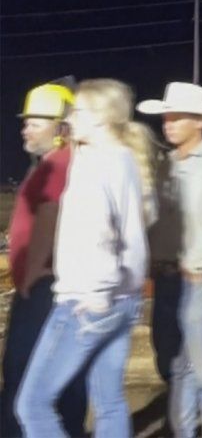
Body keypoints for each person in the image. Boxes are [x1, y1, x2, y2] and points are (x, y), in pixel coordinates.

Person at [15, 79, 154, 438]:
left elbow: (100, 232)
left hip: (87, 301)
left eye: (77, 111)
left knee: (32, 405)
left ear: (101, 118)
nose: (70, 119)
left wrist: (96, 294)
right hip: (124, 299)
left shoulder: (92, 165)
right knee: (109, 401)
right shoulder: (125, 159)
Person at [137, 82, 202, 438]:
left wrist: (195, 265)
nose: (168, 123)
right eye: (167, 117)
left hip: (200, 280)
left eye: (178, 117)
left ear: (200, 121)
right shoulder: (165, 167)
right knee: (174, 365)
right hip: (167, 280)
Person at [0, 80, 87, 437]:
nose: (25, 128)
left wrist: (32, 275)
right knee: (59, 379)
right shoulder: (52, 163)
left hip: (43, 289)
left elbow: (49, 218)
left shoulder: (58, 165)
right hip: (48, 286)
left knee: (22, 376)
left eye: (35, 122)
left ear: (61, 129)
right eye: (26, 121)